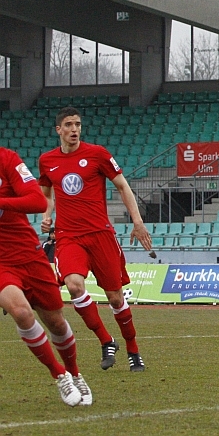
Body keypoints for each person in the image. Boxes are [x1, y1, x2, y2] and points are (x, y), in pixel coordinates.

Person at [39, 107, 152, 372]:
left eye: (78, 124)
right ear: (58, 130)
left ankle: (133, 349)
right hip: (68, 237)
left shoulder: (97, 154)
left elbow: (122, 185)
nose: (74, 129)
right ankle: (106, 340)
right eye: (69, 125)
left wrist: (137, 222)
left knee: (115, 298)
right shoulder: (47, 160)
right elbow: (46, 193)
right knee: (74, 286)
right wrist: (47, 216)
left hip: (100, 234)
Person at [0, 144, 91, 406]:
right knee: (21, 313)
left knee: (56, 322)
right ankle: (59, 375)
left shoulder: (7, 159)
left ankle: (75, 373)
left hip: (28, 254)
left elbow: (38, 201)